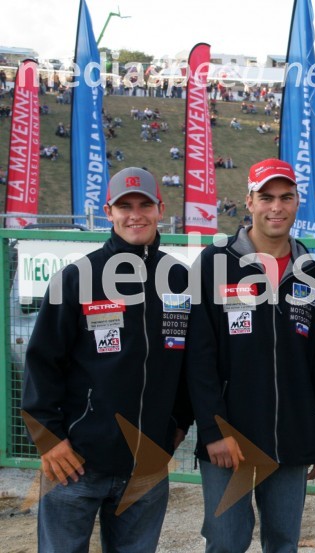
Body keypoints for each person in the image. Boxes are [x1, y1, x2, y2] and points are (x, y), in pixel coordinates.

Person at [22, 167, 192, 552]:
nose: (135, 214)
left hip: (146, 468)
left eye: (144, 204)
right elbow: (42, 362)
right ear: (108, 212)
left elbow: (188, 364)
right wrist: (49, 440)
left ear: (160, 208)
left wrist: (176, 425)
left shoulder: (179, 279)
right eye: (124, 206)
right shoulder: (77, 277)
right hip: (76, 464)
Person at [186, 158, 315, 552]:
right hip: (229, 438)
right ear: (248, 202)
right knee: (226, 541)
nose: (276, 207)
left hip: (292, 435)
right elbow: (199, 357)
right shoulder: (216, 262)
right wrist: (214, 431)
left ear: (298, 201)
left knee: (283, 543)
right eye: (266, 197)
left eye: (286, 197)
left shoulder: (313, 271)